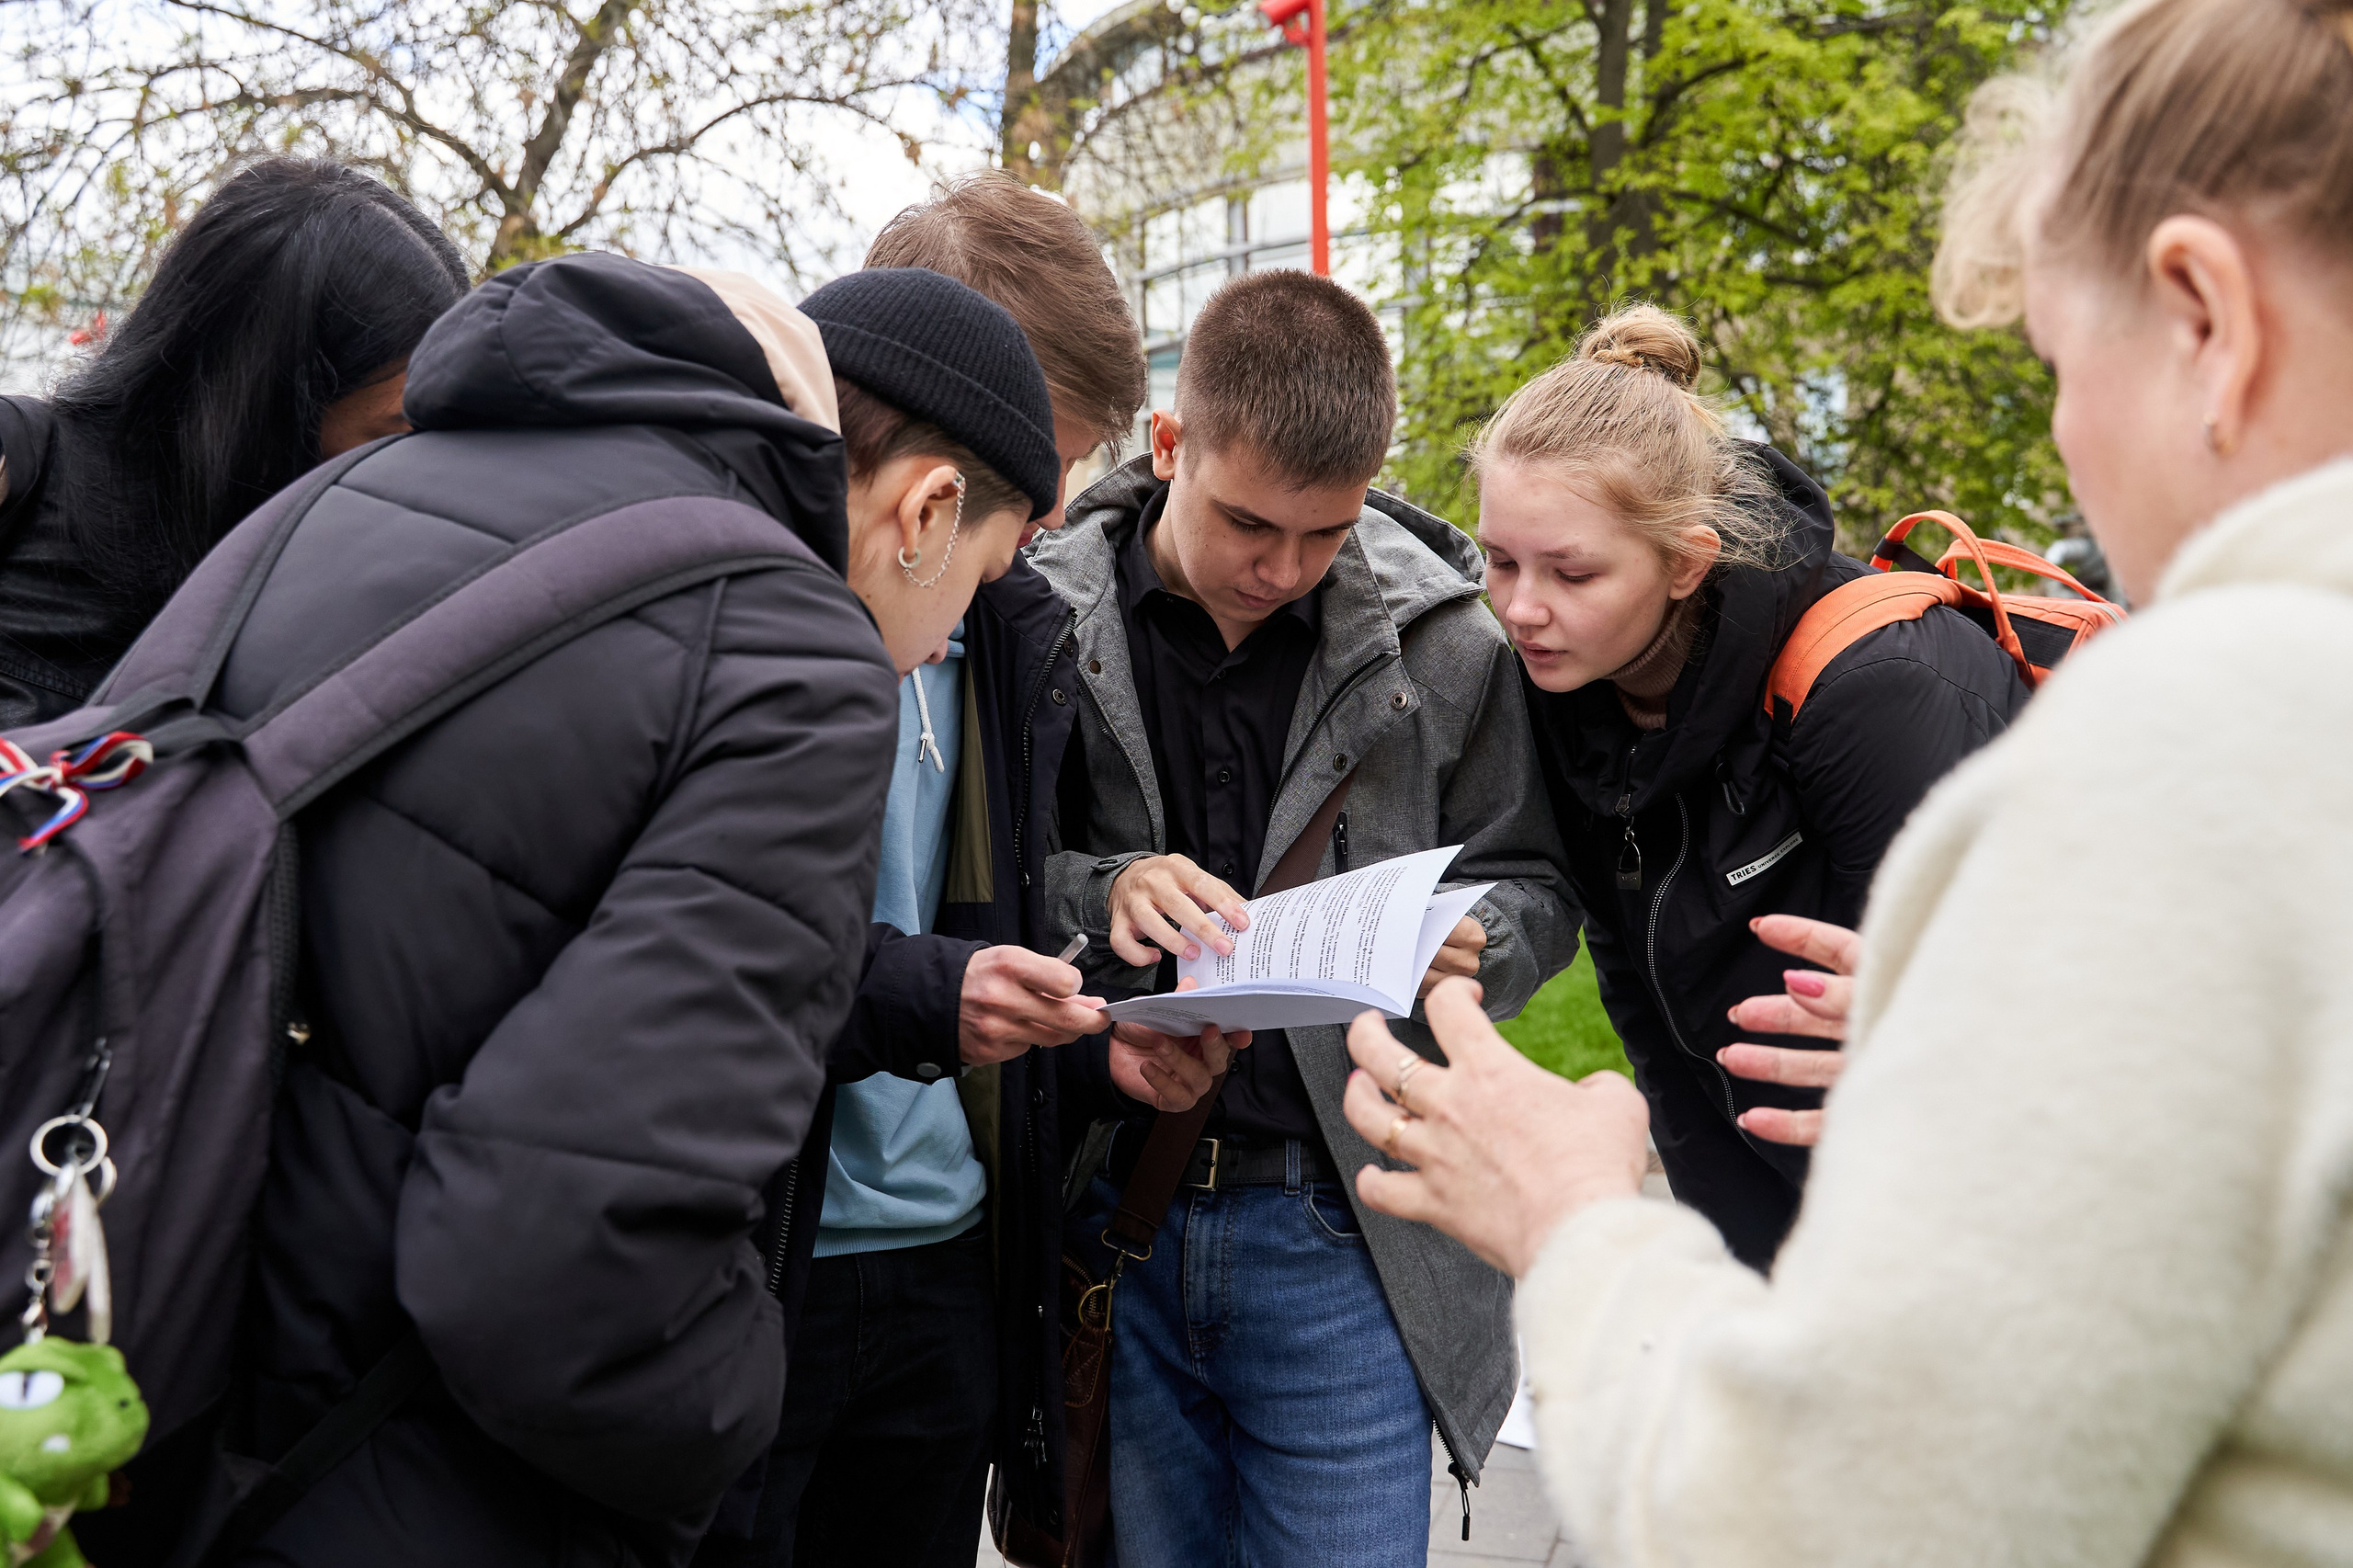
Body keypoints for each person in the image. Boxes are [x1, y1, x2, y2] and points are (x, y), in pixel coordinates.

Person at [1336, 1, 2353, 1563]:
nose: (2070, 433)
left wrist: (1572, 1219)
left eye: (2059, 360)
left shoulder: (2204, 733)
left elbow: (1829, 1516)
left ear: (2204, 318)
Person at [80, 251, 1061, 1568]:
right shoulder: (792, 648)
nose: (949, 641)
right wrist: (731, 1417)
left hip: (163, 1385)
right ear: (930, 509)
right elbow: (559, 1264)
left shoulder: (342, 495)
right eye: (982, 579)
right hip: (416, 1472)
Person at [699, 180, 1243, 1568]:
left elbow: (985, 912)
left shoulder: (1011, 626)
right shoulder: (737, 610)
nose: (1051, 517)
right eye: (1031, 469)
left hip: (951, 1255)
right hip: (761, 1258)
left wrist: (1102, 1043)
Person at [1037, 268, 1578, 1565]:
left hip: (1348, 1231)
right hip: (1117, 1210)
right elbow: (989, 884)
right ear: (1170, 443)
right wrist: (1101, 891)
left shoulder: (1449, 643)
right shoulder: (1039, 620)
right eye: (1247, 524)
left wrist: (1483, 938)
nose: (1283, 568)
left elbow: (1540, 884)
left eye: (1326, 535)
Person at [1477, 305, 2030, 1265]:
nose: (1522, 609)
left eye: (1570, 572)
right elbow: (1648, 1016)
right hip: (1790, 1214)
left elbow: (2013, 1032)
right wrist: (1743, 1275)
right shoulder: (1565, 692)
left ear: (1686, 562)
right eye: (1498, 560)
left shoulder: (1871, 691)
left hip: (1970, 1228)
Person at [0, 157, 469, 729]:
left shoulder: (324, 602)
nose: (412, 469)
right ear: (272, 400)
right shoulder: (19, 465)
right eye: (393, 431)